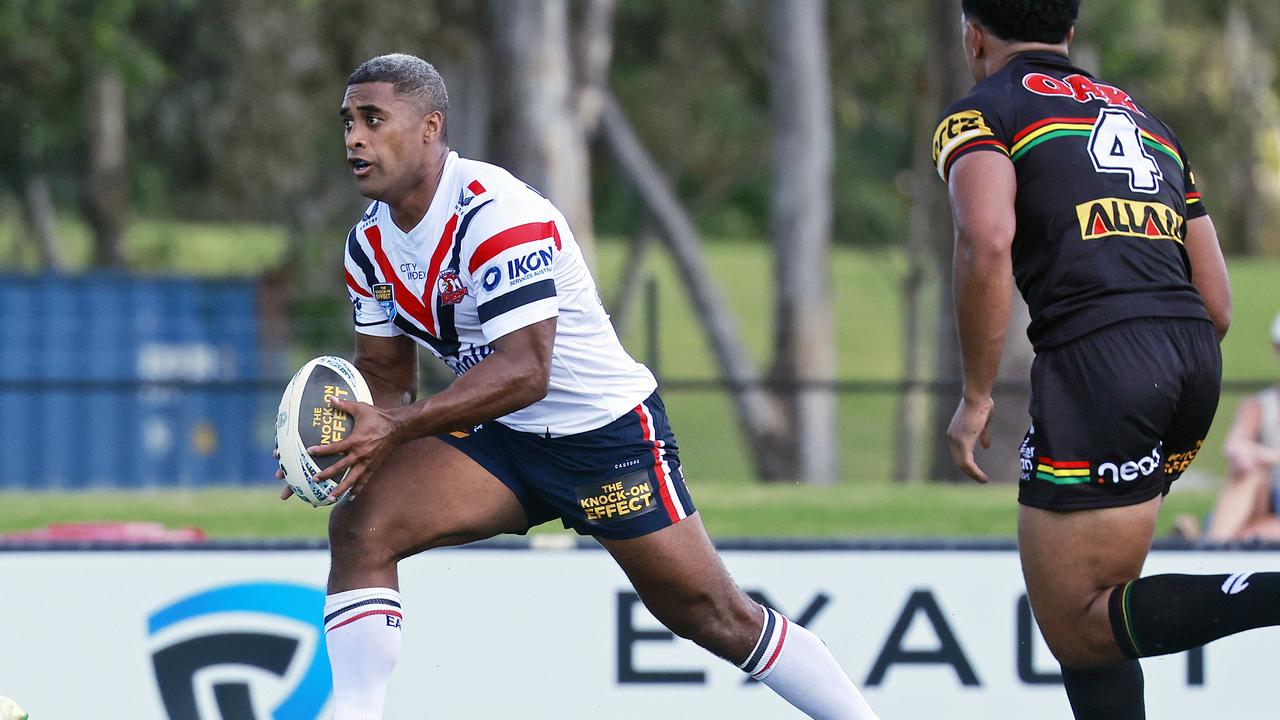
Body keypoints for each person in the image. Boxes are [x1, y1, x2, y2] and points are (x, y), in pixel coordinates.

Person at [278, 53, 879, 720]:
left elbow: (526, 370)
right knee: (361, 527)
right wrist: (345, 447)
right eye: (347, 122)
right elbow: (387, 377)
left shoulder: (495, 214)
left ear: (429, 127)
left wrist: (393, 428)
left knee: (713, 616)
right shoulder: (368, 246)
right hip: (502, 439)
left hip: (604, 438)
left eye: (372, 119)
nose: (354, 138)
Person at [928, 1, 1280, 718]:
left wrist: (975, 395)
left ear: (973, 35)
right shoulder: (1146, 121)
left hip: (1102, 366)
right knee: (1104, 609)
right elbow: (1217, 302)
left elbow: (987, 238)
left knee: (1078, 624)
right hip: (1188, 359)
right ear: (1071, 34)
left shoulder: (982, 113)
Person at [1196, 311, 1280, 541]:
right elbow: (1236, 447)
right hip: (1268, 500)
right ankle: (1216, 544)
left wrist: (1264, 455)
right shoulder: (1261, 405)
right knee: (1248, 475)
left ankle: (1208, 541)